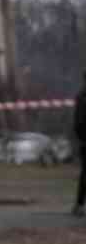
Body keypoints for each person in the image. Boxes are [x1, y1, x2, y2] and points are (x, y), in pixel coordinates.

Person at [73, 71, 86, 217]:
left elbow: (77, 123)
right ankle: (79, 204)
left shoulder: (81, 96)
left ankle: (79, 204)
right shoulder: (82, 97)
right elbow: (79, 123)